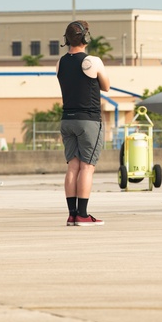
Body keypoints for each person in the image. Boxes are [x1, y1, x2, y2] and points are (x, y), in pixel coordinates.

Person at [57, 20, 110, 226]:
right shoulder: (92, 61)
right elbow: (106, 86)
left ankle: (72, 214)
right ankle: (83, 214)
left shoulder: (60, 62)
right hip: (88, 120)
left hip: (67, 119)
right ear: (86, 38)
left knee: (73, 167)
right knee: (87, 167)